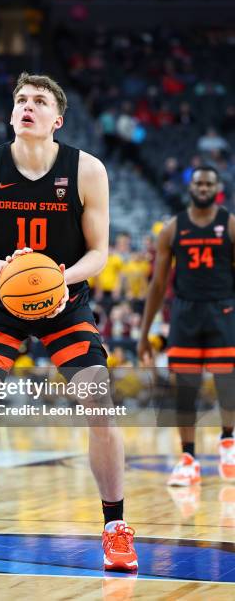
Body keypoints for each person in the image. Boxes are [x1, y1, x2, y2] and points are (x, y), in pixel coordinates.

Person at [0, 72, 138, 573]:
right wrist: (9, 269)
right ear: (11, 114)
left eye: (39, 101)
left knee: (100, 406)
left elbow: (99, 253)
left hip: (64, 297)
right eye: (20, 99)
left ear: (57, 120)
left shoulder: (88, 171)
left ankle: (115, 528)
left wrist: (63, 281)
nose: (27, 106)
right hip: (2, 299)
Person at [138, 166, 235, 486]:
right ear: (190, 187)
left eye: (209, 183)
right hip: (184, 313)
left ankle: (227, 441)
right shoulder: (173, 228)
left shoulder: (230, 225)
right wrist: (144, 333)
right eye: (198, 183)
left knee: (226, 384)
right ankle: (189, 458)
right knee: (185, 391)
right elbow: (157, 284)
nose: (203, 188)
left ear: (217, 188)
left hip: (222, 309)